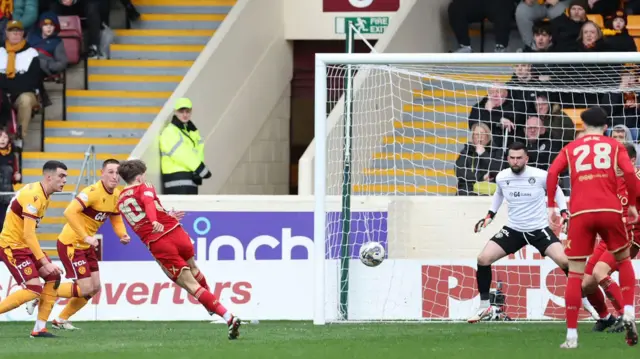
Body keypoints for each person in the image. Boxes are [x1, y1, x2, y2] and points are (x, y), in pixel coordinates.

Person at [116, 159, 241, 339]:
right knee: (194, 268)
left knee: (188, 284)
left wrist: (154, 222)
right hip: (176, 232)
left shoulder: (120, 201)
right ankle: (214, 307)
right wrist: (160, 219)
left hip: (159, 242)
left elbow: (145, 210)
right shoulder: (144, 187)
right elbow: (149, 203)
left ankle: (227, 316)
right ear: (139, 176)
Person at [547, 107, 638, 348]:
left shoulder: (571, 148)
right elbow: (628, 172)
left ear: (583, 125)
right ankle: (627, 311)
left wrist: (550, 207)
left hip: (581, 213)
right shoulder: (614, 146)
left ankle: (571, 337)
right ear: (607, 127)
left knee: (576, 276)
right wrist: (632, 204)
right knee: (617, 265)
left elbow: (553, 172)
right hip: (610, 213)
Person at [468, 142, 575, 322]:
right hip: (514, 230)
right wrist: (489, 215)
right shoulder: (502, 177)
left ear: (526, 159)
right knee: (483, 259)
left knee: (566, 262)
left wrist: (564, 212)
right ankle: (484, 306)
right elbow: (499, 194)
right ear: (507, 158)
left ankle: (585, 301)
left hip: (538, 230)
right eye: (512, 158)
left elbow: (556, 190)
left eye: (519, 158)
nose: (515, 161)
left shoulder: (540, 175)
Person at [24, 159, 130, 331]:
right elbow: (69, 212)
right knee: (85, 288)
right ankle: (40, 293)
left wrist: (122, 234)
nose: (114, 176)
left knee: (95, 288)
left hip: (85, 244)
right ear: (101, 174)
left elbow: (116, 217)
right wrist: (85, 236)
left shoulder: (117, 195)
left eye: (117, 172)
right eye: (110, 172)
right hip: (71, 243)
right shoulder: (92, 192)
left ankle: (61, 319)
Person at [0, 161, 88, 338]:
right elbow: (28, 234)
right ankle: (36, 306)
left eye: (66, 177)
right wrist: (44, 261)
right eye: (61, 176)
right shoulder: (35, 196)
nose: (64, 180)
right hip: (12, 246)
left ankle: (39, 328)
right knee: (33, 289)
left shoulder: (44, 194)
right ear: (49, 177)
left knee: (53, 277)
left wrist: (44, 262)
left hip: (24, 245)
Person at [581, 143, 640, 333]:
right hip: (609, 237)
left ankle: (626, 316)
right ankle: (606, 317)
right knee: (586, 284)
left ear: (631, 160)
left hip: (630, 237)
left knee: (599, 272)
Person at [159, 97, 211, 195]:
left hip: (189, 178)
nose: (185, 114)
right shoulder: (170, 131)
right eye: (181, 111)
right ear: (175, 112)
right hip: (176, 178)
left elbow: (197, 151)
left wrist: (197, 172)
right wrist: (200, 168)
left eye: (187, 111)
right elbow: (181, 153)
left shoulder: (191, 132)